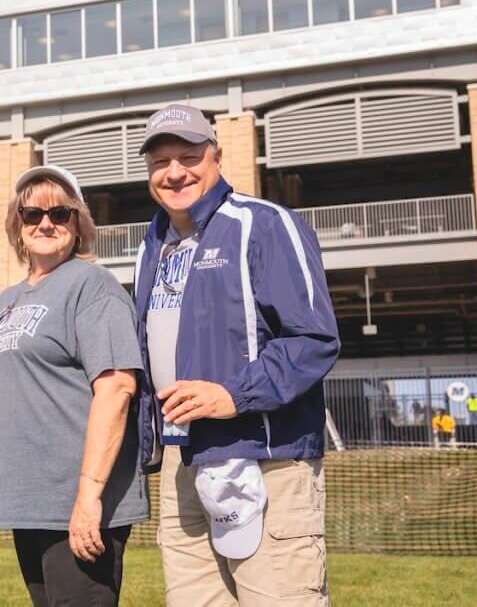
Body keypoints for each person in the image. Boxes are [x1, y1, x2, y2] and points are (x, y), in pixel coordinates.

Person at [132, 104, 340, 605]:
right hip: (185, 464)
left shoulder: (265, 224)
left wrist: (234, 394)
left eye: (189, 155)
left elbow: (314, 340)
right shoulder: (150, 247)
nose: (175, 171)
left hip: (265, 461)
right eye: (161, 161)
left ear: (217, 156)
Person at [0, 165, 148, 606]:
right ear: (17, 224)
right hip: (31, 504)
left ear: (79, 223)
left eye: (60, 213)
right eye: (31, 214)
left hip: (77, 504)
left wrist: (89, 497)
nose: (45, 223)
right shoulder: (9, 299)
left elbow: (117, 389)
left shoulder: (93, 287)